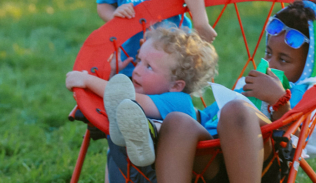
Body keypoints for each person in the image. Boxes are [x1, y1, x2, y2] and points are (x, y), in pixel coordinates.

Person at [122, 0, 316, 183]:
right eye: (268, 53)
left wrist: (279, 101)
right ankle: (152, 128)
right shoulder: (248, 83)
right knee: (177, 120)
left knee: (237, 110)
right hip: (212, 158)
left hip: (264, 162)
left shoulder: (312, 93)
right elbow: (207, 117)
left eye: (283, 60)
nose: (271, 64)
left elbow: (301, 144)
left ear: (310, 65)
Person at [66, 24, 218, 183]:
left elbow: (127, 97)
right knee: (118, 127)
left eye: (149, 67)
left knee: (126, 112)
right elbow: (119, 98)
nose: (137, 70)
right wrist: (110, 76)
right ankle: (121, 128)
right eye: (138, 60)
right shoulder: (140, 93)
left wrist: (88, 80)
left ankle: (138, 129)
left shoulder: (180, 102)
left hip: (165, 173)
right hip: (129, 169)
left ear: (176, 86)